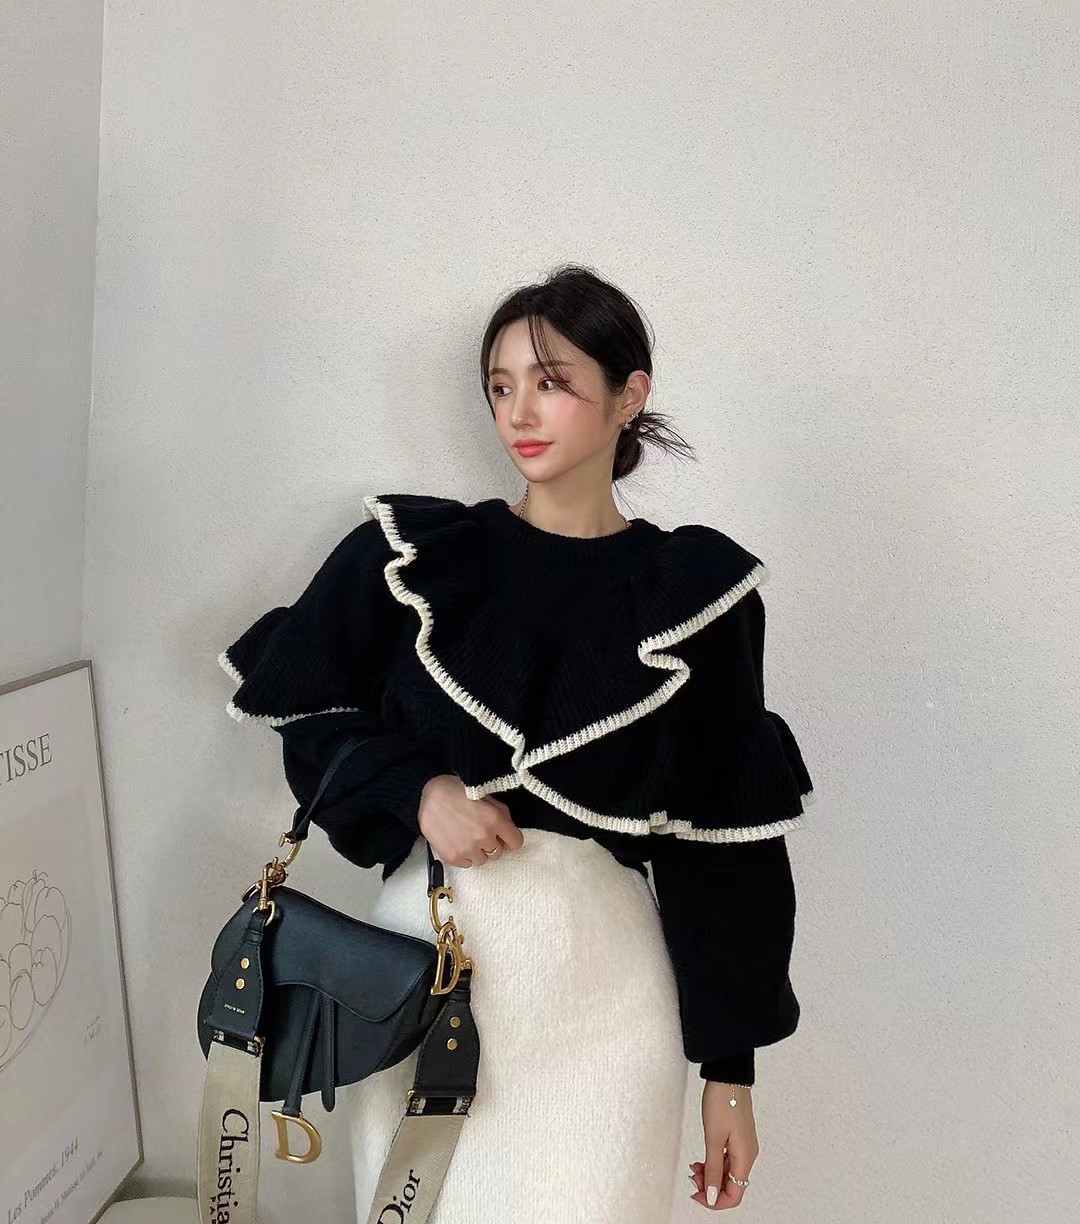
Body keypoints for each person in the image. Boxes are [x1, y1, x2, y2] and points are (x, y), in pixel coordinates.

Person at [217, 264, 815, 1221]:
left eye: (552, 381)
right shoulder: (412, 559)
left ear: (630, 396)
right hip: (420, 979)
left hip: (606, 999)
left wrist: (730, 1073)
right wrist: (420, 792)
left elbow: (723, 847)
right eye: (501, 386)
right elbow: (310, 710)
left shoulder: (692, 597)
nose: (519, 412)